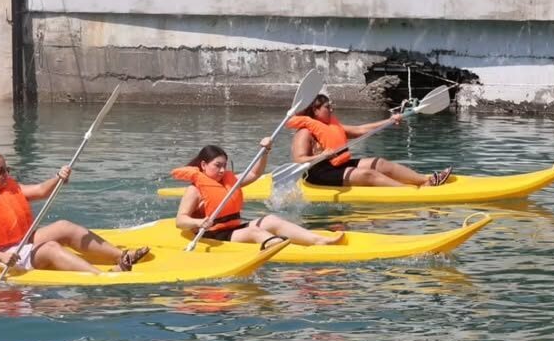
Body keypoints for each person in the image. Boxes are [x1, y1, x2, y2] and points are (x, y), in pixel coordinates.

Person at [0, 147, 149, 274]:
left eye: (7, 170)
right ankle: (102, 276)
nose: (6, 175)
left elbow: (42, 190)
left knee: (64, 227)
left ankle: (121, 256)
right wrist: (1, 258)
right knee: (50, 248)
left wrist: (59, 176)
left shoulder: (8, 188)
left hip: (18, 240)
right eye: (0, 171)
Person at [172, 138, 344, 246]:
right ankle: (286, 248)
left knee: (271, 220)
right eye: (218, 165)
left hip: (233, 229)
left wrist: (265, 152)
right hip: (213, 235)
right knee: (255, 232)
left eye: (225, 165)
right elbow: (180, 221)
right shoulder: (194, 190)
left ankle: (317, 240)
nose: (223, 170)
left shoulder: (230, 182)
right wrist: (200, 222)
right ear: (203, 165)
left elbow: (255, 173)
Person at [287, 94, 452, 188]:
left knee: (379, 163)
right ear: (315, 110)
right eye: (327, 107)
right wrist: (322, 155)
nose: (332, 109)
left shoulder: (331, 126)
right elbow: (299, 160)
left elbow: (360, 130)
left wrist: (389, 120)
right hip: (318, 174)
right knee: (368, 174)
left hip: (338, 165)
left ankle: (425, 180)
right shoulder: (304, 132)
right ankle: (409, 191)